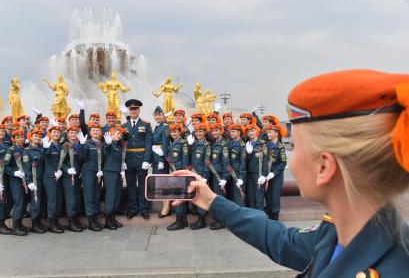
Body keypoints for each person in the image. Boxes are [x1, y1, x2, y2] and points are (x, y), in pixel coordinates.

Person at [172, 69, 409, 277]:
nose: (292, 161)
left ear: (324, 167)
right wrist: (211, 200)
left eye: (295, 146)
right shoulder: (342, 230)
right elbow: (283, 242)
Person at [122, 99, 152, 220]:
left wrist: (147, 160)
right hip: (129, 159)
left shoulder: (146, 124)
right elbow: (122, 144)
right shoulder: (124, 126)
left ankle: (144, 209)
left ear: (139, 110)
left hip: (141, 159)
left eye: (135, 109)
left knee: (143, 185)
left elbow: (148, 143)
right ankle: (132, 209)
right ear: (129, 111)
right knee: (130, 186)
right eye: (131, 109)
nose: (133, 111)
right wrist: (122, 160)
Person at [77, 124, 105, 231]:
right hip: (88, 173)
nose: (96, 132)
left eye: (98, 130)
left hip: (99, 173)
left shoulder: (102, 144)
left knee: (96, 195)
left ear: (100, 132)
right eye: (93, 130)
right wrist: (82, 145)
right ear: (90, 132)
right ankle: (91, 221)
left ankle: (95, 219)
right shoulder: (87, 144)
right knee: (89, 196)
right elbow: (81, 156)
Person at [3, 130, 28, 235]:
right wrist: (14, 172)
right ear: (14, 139)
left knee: (25, 200)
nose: (21, 139)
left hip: (25, 178)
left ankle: (20, 223)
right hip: (15, 179)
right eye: (18, 137)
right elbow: (4, 165)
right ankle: (15, 226)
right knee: (19, 200)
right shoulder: (11, 150)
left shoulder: (26, 149)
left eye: (22, 137)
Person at [186, 123, 211, 229]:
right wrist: (190, 145)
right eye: (196, 132)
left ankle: (202, 221)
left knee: (201, 198)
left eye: (200, 131)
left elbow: (207, 162)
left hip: (202, 175)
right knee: (196, 197)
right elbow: (190, 157)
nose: (198, 134)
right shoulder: (195, 143)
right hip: (194, 174)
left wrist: (205, 176)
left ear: (205, 132)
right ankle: (199, 219)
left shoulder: (207, 145)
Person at [166, 123, 190, 231]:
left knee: (179, 196)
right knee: (178, 196)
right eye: (171, 132)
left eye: (175, 131)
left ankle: (179, 221)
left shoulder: (183, 144)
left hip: (180, 173)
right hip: (174, 173)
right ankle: (183, 221)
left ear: (179, 132)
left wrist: (183, 173)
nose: (173, 133)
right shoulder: (173, 143)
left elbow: (185, 162)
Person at [102, 126, 127, 230]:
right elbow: (105, 150)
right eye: (117, 134)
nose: (119, 136)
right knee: (111, 196)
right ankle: (108, 220)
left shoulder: (118, 144)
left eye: (121, 135)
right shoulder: (108, 143)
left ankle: (112, 218)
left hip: (117, 172)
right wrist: (108, 143)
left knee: (116, 195)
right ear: (112, 134)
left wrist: (122, 167)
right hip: (110, 172)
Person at [42, 125, 65, 233]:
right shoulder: (47, 145)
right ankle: (51, 224)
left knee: (58, 199)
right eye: (54, 132)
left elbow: (61, 161)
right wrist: (46, 148)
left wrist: (61, 171)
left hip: (59, 175)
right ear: (50, 133)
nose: (56, 134)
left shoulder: (60, 146)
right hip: (50, 176)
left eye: (58, 132)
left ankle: (55, 221)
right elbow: (44, 157)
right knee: (52, 200)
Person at [23, 129, 47, 233]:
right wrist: (29, 182)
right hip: (34, 180)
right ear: (31, 138)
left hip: (43, 179)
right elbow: (26, 168)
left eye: (39, 136)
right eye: (35, 136)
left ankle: (39, 222)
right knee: (35, 203)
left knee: (41, 202)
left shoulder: (42, 149)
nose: (37, 138)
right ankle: (34, 225)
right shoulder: (27, 151)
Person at [208, 123, 230, 230]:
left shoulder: (223, 145)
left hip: (220, 176)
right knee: (216, 197)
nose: (214, 132)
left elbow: (226, 163)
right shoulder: (215, 143)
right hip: (214, 174)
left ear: (221, 131)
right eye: (213, 131)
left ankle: (222, 222)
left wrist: (225, 178)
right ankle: (219, 220)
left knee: (220, 198)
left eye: (217, 130)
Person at [151, 106, 171, 218]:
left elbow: (165, 144)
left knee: (164, 184)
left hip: (160, 160)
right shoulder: (157, 127)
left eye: (160, 115)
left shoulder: (165, 127)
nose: (158, 117)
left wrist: (161, 160)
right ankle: (165, 206)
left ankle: (166, 208)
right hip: (156, 158)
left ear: (163, 116)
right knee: (161, 183)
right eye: (156, 115)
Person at [265, 125, 287, 220]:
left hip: (276, 176)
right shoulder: (266, 145)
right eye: (267, 132)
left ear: (276, 133)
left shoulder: (280, 146)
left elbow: (283, 163)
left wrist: (274, 173)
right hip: (266, 175)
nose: (268, 134)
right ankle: (270, 216)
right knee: (268, 196)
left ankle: (275, 218)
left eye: (270, 132)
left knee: (274, 197)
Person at [244, 124, 269, 210]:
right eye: (248, 132)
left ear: (257, 131)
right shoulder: (247, 144)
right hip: (249, 174)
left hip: (258, 174)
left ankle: (261, 219)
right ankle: (253, 219)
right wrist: (248, 153)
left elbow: (266, 160)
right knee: (250, 198)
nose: (250, 133)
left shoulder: (262, 144)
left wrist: (264, 175)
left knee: (259, 198)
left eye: (252, 131)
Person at [227, 123, 247, 207]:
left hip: (238, 174)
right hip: (230, 173)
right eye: (231, 131)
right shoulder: (230, 143)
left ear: (239, 132)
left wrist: (241, 177)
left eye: (233, 131)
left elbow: (243, 162)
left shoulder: (242, 145)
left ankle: (241, 218)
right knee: (231, 196)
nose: (231, 133)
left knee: (239, 197)